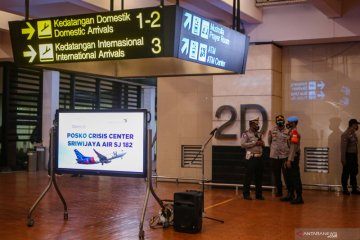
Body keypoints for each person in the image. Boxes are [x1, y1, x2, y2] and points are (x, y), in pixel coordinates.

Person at [241, 117, 265, 200]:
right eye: (255, 124)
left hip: (259, 157)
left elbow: (262, 144)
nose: (257, 125)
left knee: (259, 177)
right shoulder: (246, 134)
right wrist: (255, 143)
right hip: (251, 157)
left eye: (257, 124)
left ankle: (258, 194)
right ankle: (246, 194)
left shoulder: (259, 134)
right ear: (251, 124)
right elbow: (243, 144)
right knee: (248, 177)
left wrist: (262, 143)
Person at [281, 116, 303, 204]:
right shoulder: (290, 132)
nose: (288, 124)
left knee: (295, 177)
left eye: (290, 122)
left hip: (293, 157)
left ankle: (299, 197)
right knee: (288, 176)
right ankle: (290, 194)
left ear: (294, 123)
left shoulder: (294, 133)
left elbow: (293, 148)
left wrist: (289, 160)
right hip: (288, 157)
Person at [268, 115, 289, 197]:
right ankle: (279, 191)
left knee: (286, 175)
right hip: (274, 156)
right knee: (276, 175)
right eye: (278, 121)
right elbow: (269, 142)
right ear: (276, 122)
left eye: (281, 121)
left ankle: (289, 192)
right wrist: (274, 149)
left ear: (283, 122)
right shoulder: (272, 130)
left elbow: (289, 143)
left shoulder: (287, 131)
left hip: (284, 156)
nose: (280, 123)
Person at [340, 118, 360, 195]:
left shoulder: (353, 134)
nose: (357, 126)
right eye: (356, 124)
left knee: (354, 172)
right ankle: (345, 189)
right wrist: (343, 159)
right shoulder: (345, 134)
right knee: (346, 173)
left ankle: (354, 188)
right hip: (348, 156)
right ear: (353, 125)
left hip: (353, 156)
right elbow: (343, 148)